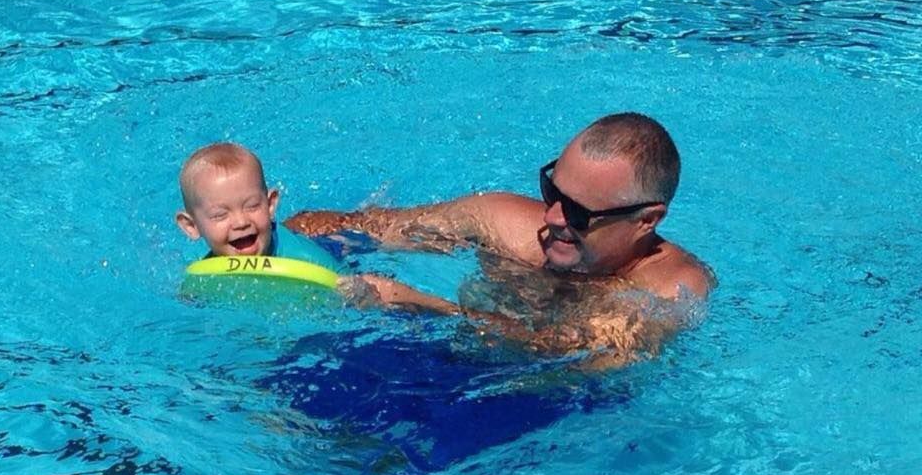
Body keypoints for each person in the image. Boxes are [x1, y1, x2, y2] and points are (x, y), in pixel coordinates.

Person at [285, 113, 714, 365]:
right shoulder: (502, 221)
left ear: (647, 220)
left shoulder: (670, 290)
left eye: (579, 212)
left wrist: (413, 303)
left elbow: (570, 359)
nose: (551, 217)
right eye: (552, 191)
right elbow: (359, 227)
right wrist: (255, 234)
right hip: (442, 354)